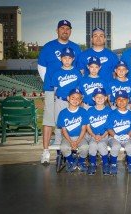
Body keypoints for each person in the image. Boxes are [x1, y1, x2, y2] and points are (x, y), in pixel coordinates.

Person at [38, 20, 81, 164]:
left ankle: (69, 150)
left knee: (72, 120)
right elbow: (41, 68)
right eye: (62, 28)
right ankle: (45, 152)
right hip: (53, 90)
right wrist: (53, 84)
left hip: (73, 94)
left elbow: (79, 70)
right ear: (57, 30)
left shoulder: (75, 47)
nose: (65, 30)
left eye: (67, 28)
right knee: (49, 120)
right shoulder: (48, 46)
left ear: (70, 31)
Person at [51, 47, 82, 147]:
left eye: (69, 58)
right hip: (61, 100)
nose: (67, 60)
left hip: (74, 102)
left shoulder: (77, 72)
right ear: (61, 58)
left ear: (73, 59)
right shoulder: (57, 73)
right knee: (58, 121)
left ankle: (75, 140)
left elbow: (79, 89)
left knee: (75, 120)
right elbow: (55, 90)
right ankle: (58, 140)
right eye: (65, 58)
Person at [57, 89, 89, 173]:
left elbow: (83, 129)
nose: (75, 100)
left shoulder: (83, 111)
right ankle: (71, 161)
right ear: (68, 98)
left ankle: (81, 162)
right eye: (73, 97)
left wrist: (77, 141)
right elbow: (63, 130)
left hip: (80, 137)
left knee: (85, 147)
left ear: (81, 100)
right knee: (63, 147)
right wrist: (71, 142)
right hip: (67, 137)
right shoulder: (62, 113)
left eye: (78, 98)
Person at [106, 90, 131, 176]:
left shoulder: (130, 114)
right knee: (116, 146)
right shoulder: (112, 113)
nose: (121, 101)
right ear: (115, 101)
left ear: (127, 101)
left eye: (124, 99)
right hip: (114, 137)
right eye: (119, 99)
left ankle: (130, 164)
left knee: (130, 146)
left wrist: (128, 135)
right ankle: (113, 164)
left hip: (127, 137)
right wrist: (115, 136)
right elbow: (109, 128)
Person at [86, 88, 111, 175]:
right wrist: (93, 135)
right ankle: (92, 164)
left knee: (101, 144)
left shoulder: (109, 111)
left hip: (105, 135)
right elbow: (88, 126)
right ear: (93, 98)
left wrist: (102, 136)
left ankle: (106, 163)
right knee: (92, 144)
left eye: (102, 97)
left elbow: (110, 128)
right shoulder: (90, 110)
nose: (100, 99)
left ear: (106, 98)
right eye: (97, 97)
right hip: (93, 135)